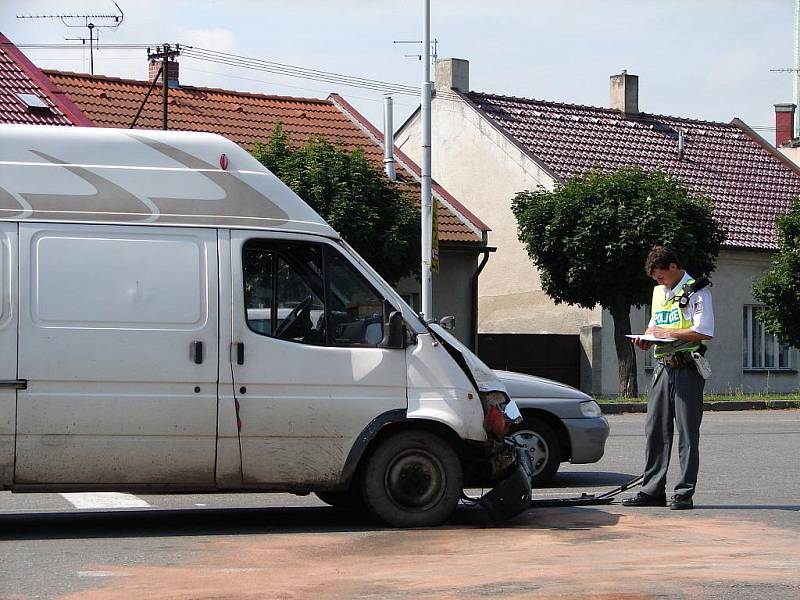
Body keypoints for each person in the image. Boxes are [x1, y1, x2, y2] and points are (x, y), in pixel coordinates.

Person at [622, 246, 714, 510]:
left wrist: (668, 333)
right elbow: (655, 324)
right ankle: (652, 490)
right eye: (656, 279)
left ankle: (684, 492)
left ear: (673, 267)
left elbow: (704, 331)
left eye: (661, 277)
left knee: (687, 433)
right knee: (656, 431)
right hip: (662, 367)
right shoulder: (658, 292)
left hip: (686, 368)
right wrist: (646, 339)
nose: (659, 282)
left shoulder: (698, 290)